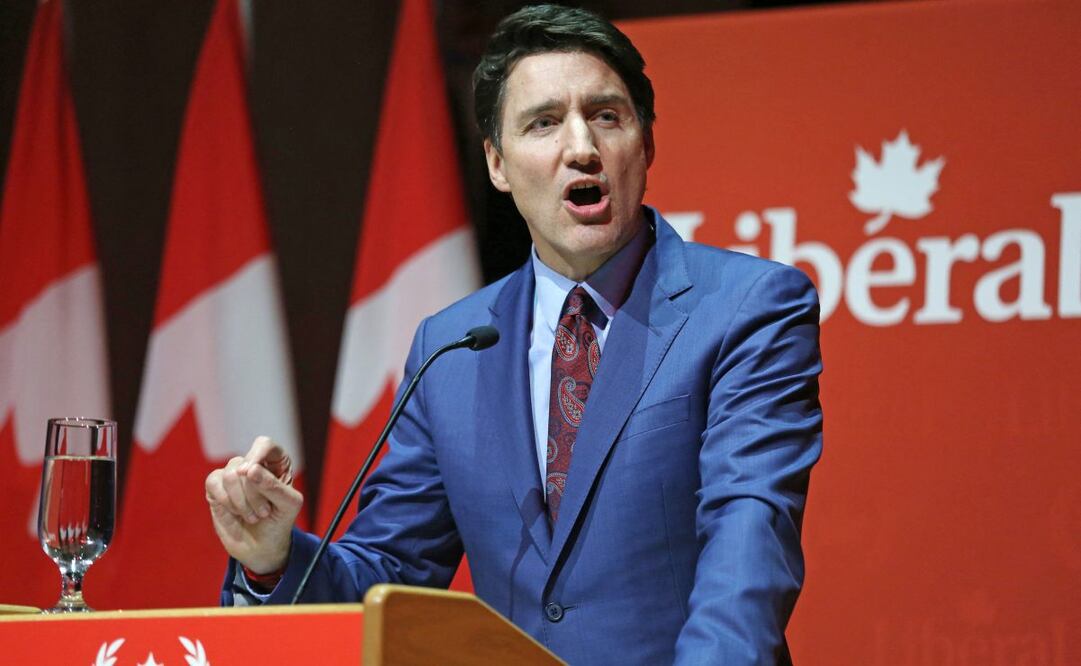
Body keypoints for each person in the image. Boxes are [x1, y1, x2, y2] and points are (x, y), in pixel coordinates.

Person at [205, 5, 822, 664]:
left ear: (645, 144)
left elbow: (746, 545)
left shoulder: (746, 308)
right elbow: (387, 577)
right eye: (544, 123)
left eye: (607, 117)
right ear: (497, 165)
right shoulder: (451, 347)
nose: (580, 147)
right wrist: (274, 558)